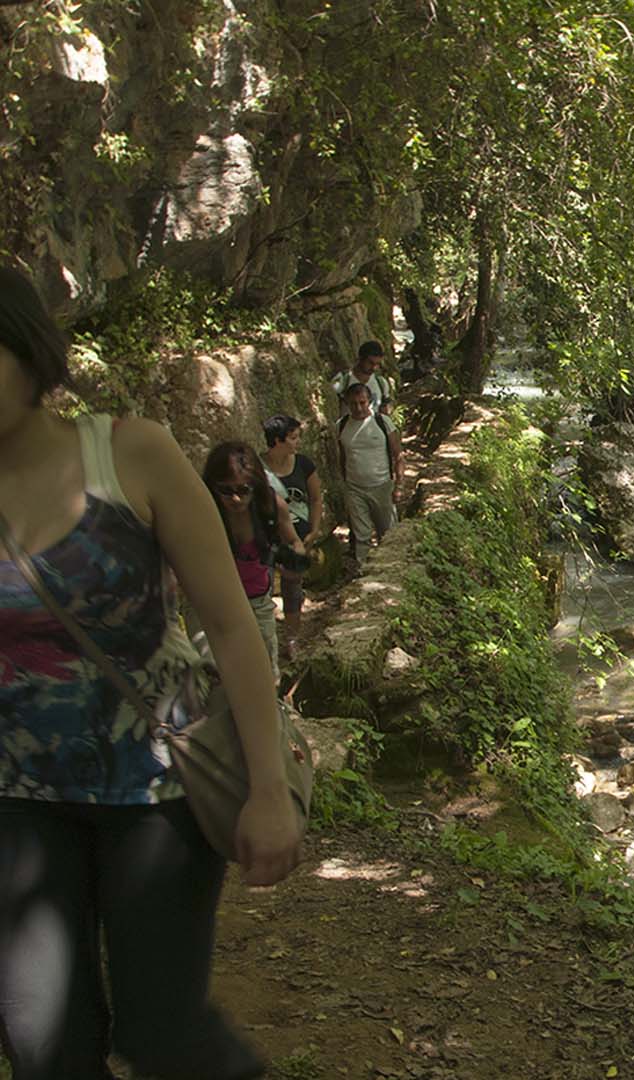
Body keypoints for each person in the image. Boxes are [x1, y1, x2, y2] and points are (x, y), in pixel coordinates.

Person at [0, 266, 299, 1080]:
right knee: (42, 1046)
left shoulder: (129, 451)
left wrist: (269, 788)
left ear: (28, 353)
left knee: (162, 1035)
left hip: (154, 791)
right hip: (16, 801)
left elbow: (234, 628)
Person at [200, 440, 305, 684]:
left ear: (255, 484)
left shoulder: (270, 506)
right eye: (226, 490)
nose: (235, 499)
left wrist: (294, 561)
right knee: (213, 672)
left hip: (257, 598)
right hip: (213, 600)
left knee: (265, 670)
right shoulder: (203, 508)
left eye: (243, 489)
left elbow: (294, 541)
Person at [261, 414, 324, 660]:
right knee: (262, 591)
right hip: (266, 541)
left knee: (293, 589)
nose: (298, 443)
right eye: (294, 438)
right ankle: (266, 644)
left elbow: (316, 498)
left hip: (297, 538)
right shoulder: (257, 468)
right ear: (277, 441)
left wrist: (315, 528)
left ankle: (291, 639)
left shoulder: (303, 465)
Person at [336, 380, 402, 562]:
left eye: (362, 402)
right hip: (354, 488)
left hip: (382, 486)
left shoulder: (382, 422)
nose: (358, 407)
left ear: (370, 401)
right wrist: (345, 483)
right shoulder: (341, 426)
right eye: (353, 404)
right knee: (361, 535)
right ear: (347, 404)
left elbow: (398, 455)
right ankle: (362, 572)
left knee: (388, 534)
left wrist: (398, 485)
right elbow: (342, 457)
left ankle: (390, 568)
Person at [330, 339, 393, 417]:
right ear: (360, 359)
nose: (374, 368)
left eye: (377, 364)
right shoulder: (343, 380)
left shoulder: (381, 383)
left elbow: (387, 406)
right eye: (370, 363)